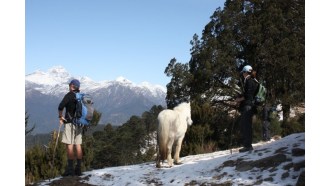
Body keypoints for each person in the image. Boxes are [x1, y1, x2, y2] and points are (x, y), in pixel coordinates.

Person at [58, 79, 83, 176]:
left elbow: (60, 106)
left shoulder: (69, 95)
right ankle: (79, 169)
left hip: (69, 123)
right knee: (78, 145)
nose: (69, 86)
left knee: (70, 145)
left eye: (69, 84)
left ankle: (70, 170)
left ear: (72, 85)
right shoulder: (80, 96)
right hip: (80, 124)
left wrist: (60, 117)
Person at [235, 65, 259, 153]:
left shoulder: (249, 81)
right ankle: (248, 145)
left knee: (246, 126)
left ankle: (247, 146)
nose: (242, 74)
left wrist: (239, 99)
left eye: (243, 72)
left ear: (245, 72)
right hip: (251, 106)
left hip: (248, 106)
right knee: (247, 126)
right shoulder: (254, 81)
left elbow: (247, 96)